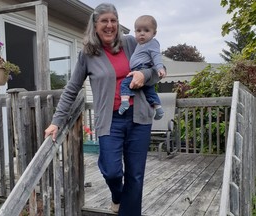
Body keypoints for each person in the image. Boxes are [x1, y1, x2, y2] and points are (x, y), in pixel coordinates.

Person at [44, 3, 161, 216]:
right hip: (110, 120)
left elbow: (158, 69)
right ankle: (117, 197)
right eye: (104, 21)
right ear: (95, 25)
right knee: (112, 171)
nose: (110, 25)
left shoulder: (132, 43)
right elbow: (71, 89)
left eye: (113, 21)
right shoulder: (88, 54)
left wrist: (145, 76)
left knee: (135, 175)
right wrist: (56, 121)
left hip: (139, 118)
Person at [118, 15, 167, 120]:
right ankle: (159, 109)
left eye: (146, 30)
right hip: (141, 69)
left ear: (154, 33)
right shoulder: (140, 44)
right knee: (149, 91)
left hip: (141, 69)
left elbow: (156, 56)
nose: (142, 33)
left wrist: (160, 68)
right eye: (138, 31)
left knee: (125, 83)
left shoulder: (152, 43)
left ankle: (125, 102)